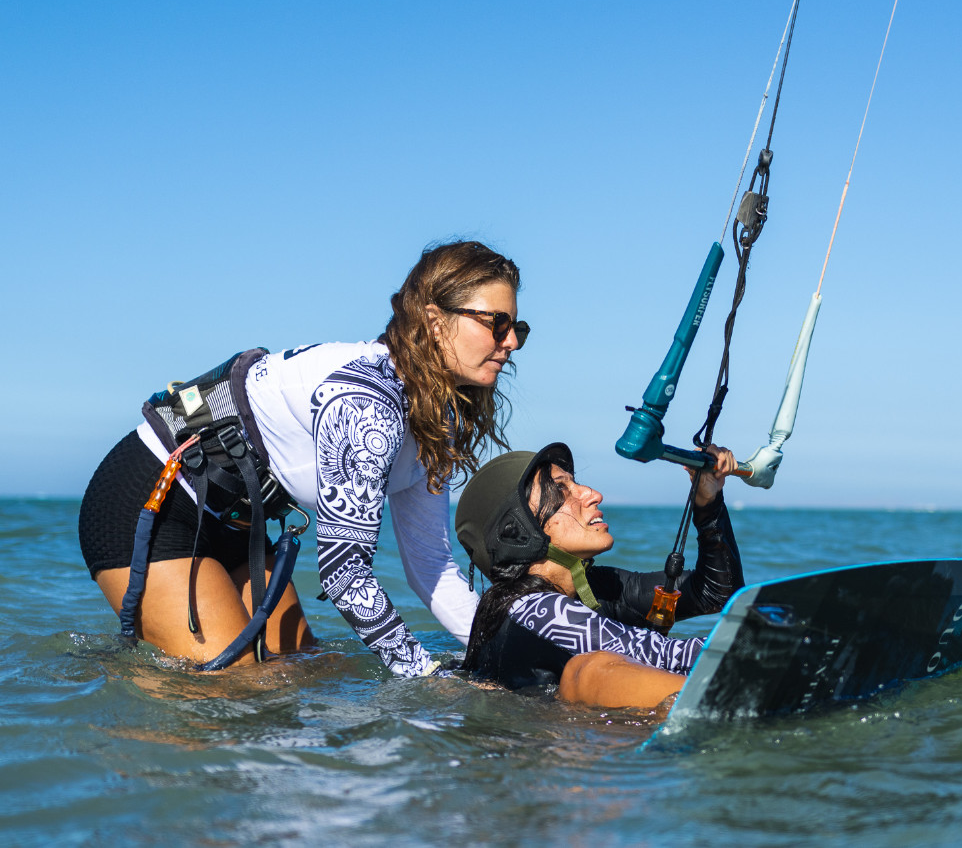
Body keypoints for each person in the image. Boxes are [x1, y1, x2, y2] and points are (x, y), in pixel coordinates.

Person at [79, 240, 528, 675]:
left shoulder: (435, 422)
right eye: (497, 323)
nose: (510, 343)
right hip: (152, 499)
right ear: (434, 320)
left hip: (235, 519)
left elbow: (432, 567)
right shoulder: (366, 403)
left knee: (307, 673)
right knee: (239, 687)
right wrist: (423, 674)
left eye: (518, 329)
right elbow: (343, 570)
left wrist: (515, 658)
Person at [454, 441, 744, 708]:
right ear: (516, 531)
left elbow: (715, 594)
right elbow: (665, 657)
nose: (593, 494)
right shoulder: (534, 609)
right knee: (594, 671)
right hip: (545, 754)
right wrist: (765, 646)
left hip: (584, 741)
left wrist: (709, 503)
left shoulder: (592, 589)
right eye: (562, 488)